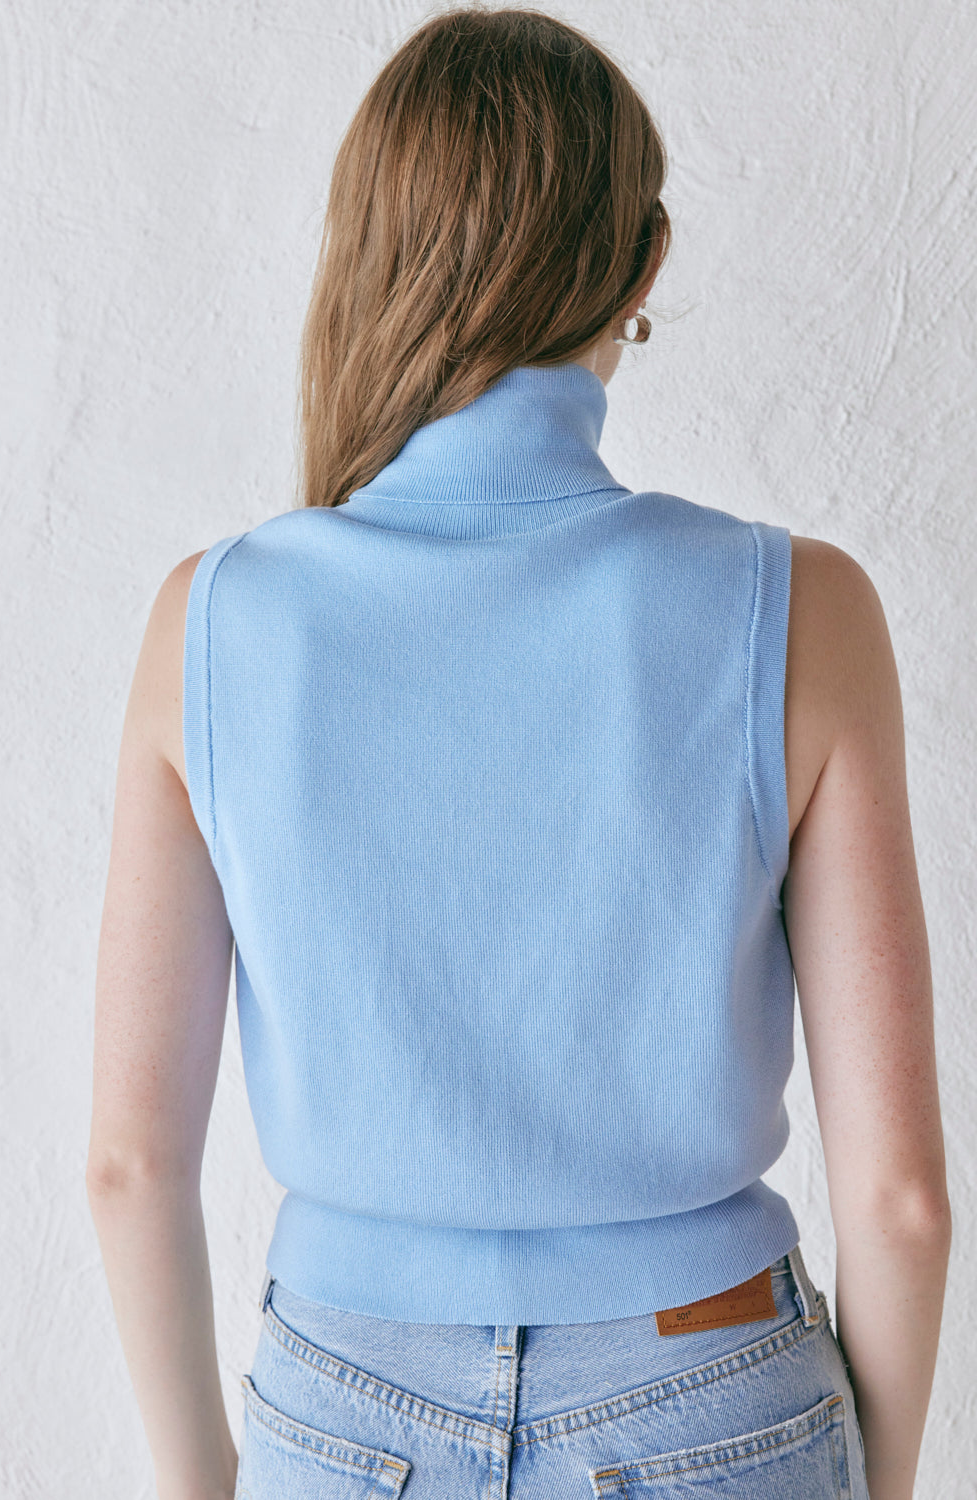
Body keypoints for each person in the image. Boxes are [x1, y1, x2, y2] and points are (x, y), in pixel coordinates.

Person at [85, 8, 951, 1500]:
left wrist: (203, 1481)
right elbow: (902, 1200)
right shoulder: (803, 610)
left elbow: (128, 1167)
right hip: (712, 1391)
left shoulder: (211, 622)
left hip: (340, 1408)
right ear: (641, 266)